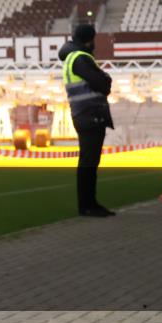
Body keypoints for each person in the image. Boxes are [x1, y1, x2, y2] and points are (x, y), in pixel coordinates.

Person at [58, 23, 115, 217]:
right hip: (91, 114)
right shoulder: (81, 58)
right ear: (89, 40)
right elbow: (103, 84)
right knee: (89, 162)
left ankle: (89, 204)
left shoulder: (71, 57)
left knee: (88, 161)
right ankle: (88, 205)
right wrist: (106, 78)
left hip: (83, 113)